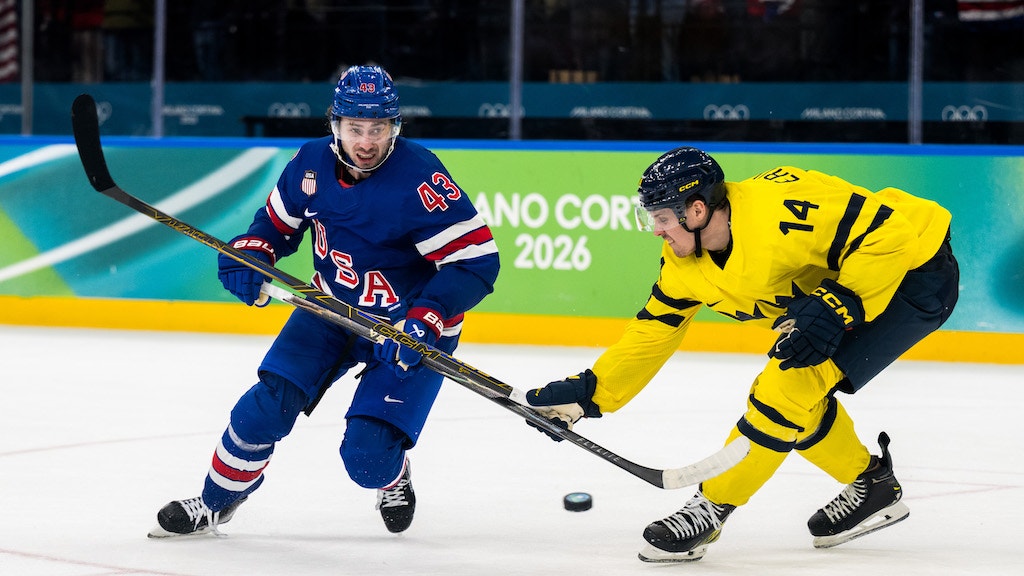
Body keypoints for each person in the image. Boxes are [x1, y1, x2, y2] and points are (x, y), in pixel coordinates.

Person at [525, 147, 958, 562]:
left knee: (784, 387)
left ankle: (710, 508)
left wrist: (840, 302)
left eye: (660, 218)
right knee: (795, 398)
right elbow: (656, 328)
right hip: (847, 287)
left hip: (913, 272)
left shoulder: (782, 211)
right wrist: (593, 394)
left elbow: (890, 233)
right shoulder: (683, 260)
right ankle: (873, 486)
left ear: (696, 210)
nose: (655, 230)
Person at [149, 65, 500, 538]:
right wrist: (254, 252)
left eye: (378, 128)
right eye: (356, 128)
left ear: (394, 127)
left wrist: (428, 318)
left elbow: (477, 263)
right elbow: (275, 227)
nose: (367, 141)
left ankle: (393, 477)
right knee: (261, 410)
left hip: (405, 328)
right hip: (330, 311)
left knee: (367, 460)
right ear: (336, 125)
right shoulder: (310, 162)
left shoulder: (420, 179)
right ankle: (216, 503)